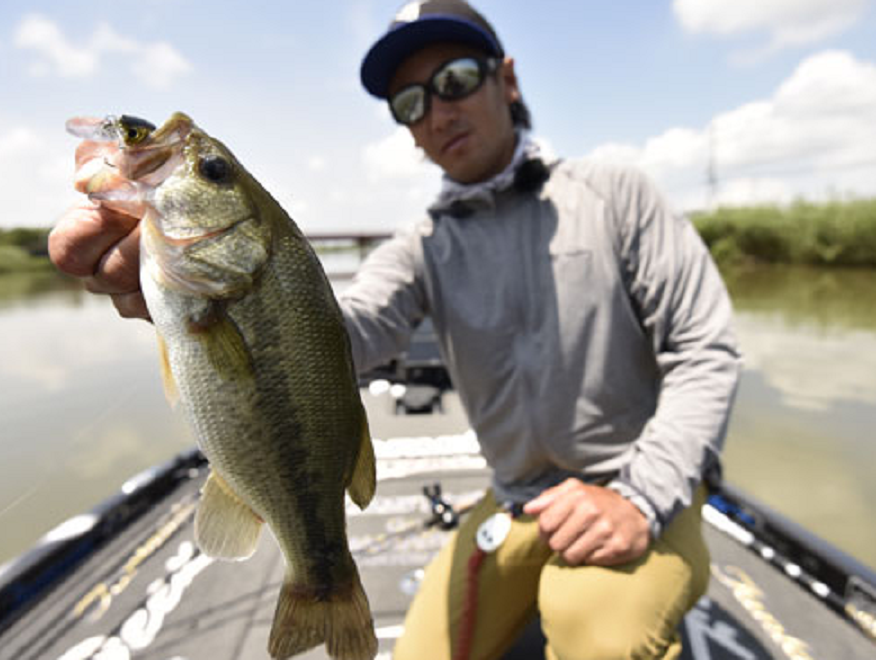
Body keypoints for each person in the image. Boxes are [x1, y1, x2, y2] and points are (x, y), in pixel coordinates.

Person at [49, 1, 742, 658]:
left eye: (455, 80)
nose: (438, 111)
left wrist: (640, 498)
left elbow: (706, 351)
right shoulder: (422, 247)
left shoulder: (618, 195)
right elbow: (336, 342)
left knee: (601, 636)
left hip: (640, 488)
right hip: (517, 500)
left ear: (507, 79)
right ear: (407, 130)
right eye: (411, 102)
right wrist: (180, 300)